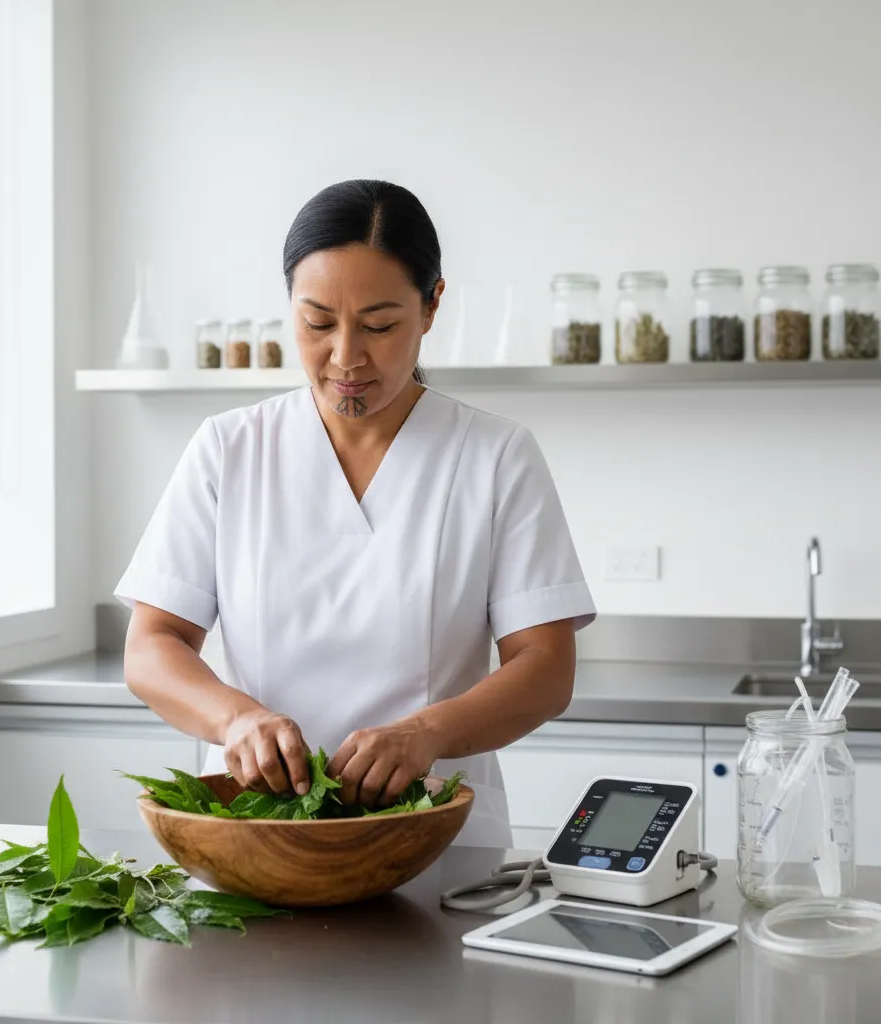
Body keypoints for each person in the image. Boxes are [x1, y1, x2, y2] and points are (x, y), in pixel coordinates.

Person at [116, 180, 595, 847]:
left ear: (431, 307)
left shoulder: (494, 456)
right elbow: (152, 645)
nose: (345, 357)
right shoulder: (230, 449)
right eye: (317, 323)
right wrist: (235, 721)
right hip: (258, 833)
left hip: (433, 841)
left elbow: (545, 666)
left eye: (379, 326)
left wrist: (428, 733)